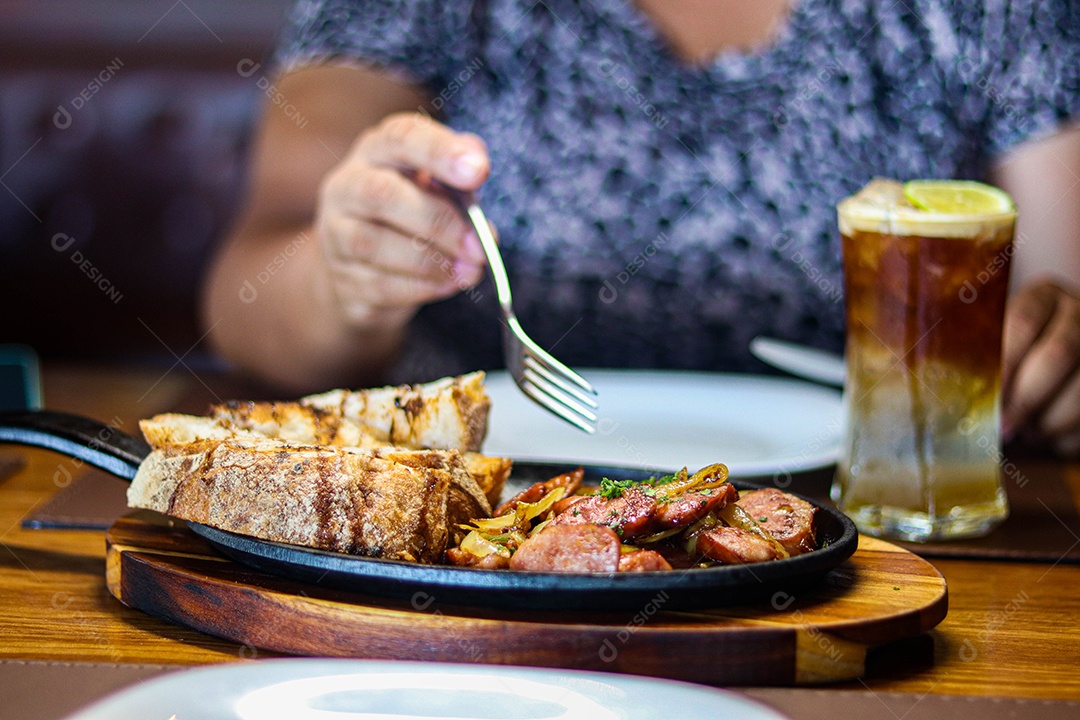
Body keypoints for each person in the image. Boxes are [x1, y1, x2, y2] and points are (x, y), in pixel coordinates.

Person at [202, 0, 1080, 455]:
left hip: (879, 543)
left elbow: (1057, 297)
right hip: (471, 528)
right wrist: (341, 278)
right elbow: (249, 293)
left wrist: (1050, 358)